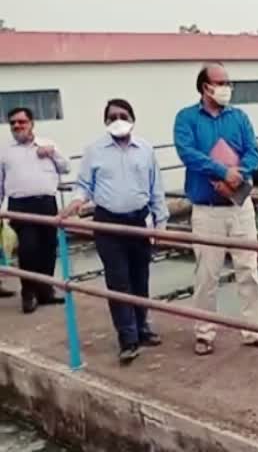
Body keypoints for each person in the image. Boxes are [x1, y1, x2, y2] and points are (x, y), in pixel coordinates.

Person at [174, 62, 258, 355]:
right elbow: (188, 153)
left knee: (249, 268)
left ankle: (254, 330)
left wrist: (239, 174)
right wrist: (222, 172)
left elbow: (253, 151)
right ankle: (204, 333)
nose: (225, 88)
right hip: (207, 209)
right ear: (204, 86)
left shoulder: (239, 117)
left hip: (239, 205)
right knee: (207, 274)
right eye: (219, 82)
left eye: (227, 82)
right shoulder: (186, 118)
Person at [60, 99, 169, 364]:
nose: (118, 119)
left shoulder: (145, 150)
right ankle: (127, 339)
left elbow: (156, 188)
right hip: (108, 223)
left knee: (140, 279)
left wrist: (161, 223)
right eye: (112, 116)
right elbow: (84, 184)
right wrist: (76, 202)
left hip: (138, 222)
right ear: (105, 121)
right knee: (118, 281)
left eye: (123, 115)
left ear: (132, 118)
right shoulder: (95, 151)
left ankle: (142, 328)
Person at [0, 107, 68, 313]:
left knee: (48, 249)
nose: (17, 126)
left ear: (32, 124)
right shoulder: (5, 151)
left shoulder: (48, 145)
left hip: (46, 204)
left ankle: (45, 292)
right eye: (13, 123)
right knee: (28, 249)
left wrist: (53, 153)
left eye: (21, 122)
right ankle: (28, 293)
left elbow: (66, 167)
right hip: (20, 206)